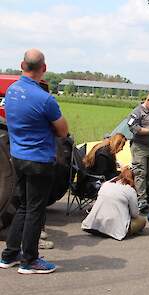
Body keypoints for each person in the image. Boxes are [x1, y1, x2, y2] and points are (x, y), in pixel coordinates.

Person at [0, 49, 68, 274]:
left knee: (22, 206)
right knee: (35, 211)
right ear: (44, 69)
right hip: (39, 161)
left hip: (17, 158)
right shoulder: (45, 98)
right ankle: (30, 261)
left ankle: (9, 255)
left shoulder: (11, 90)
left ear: (21, 65)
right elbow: (62, 131)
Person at [81, 167, 146, 240]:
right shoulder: (130, 190)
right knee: (142, 221)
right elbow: (135, 214)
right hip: (115, 231)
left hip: (92, 225)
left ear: (119, 176)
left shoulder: (106, 184)